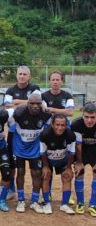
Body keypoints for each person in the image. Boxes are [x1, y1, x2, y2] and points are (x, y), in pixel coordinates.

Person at [4, 66, 41, 199]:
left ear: (29, 76)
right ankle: (12, 190)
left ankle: (37, 194)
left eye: (25, 74)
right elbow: (7, 106)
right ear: (16, 76)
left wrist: (18, 102)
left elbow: (38, 102)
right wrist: (27, 103)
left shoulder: (35, 87)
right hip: (14, 131)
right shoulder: (10, 90)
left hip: (31, 130)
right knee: (13, 164)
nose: (22, 76)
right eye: (20, 74)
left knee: (36, 167)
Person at [12, 93, 52, 213]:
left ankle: (34, 201)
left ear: (41, 104)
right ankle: (21, 200)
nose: (35, 106)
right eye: (32, 103)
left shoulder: (46, 115)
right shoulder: (18, 113)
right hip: (19, 148)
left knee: (36, 173)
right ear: (28, 103)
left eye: (38, 103)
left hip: (35, 149)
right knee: (20, 172)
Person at [41, 70, 75, 204]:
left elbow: (70, 112)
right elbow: (44, 110)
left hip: (63, 133)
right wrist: (62, 111)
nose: (55, 82)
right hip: (49, 134)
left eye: (57, 79)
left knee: (65, 164)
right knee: (47, 165)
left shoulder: (67, 95)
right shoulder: (43, 95)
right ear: (50, 81)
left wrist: (52, 110)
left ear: (61, 81)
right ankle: (47, 194)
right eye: (53, 80)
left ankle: (67, 196)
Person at [40, 114, 76, 215]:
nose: (60, 128)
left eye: (62, 125)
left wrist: (69, 168)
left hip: (63, 160)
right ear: (52, 124)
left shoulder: (70, 135)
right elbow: (42, 152)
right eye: (57, 124)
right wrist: (46, 167)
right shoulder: (45, 135)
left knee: (67, 177)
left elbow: (72, 153)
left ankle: (64, 204)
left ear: (66, 125)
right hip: (48, 160)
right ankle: (46, 203)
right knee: (46, 176)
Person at [71, 103, 96, 216]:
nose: (89, 120)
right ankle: (80, 203)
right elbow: (78, 145)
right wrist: (79, 162)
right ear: (82, 116)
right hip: (81, 150)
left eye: (93, 117)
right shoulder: (76, 124)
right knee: (79, 172)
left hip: (94, 150)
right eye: (86, 117)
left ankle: (93, 204)